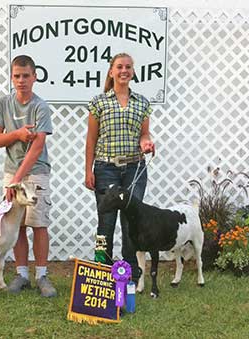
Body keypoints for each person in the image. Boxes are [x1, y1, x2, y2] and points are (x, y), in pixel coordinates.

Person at [85, 52, 155, 282]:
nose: (124, 70)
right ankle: (101, 270)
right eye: (119, 67)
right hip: (106, 169)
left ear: (133, 71)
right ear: (111, 71)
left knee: (130, 221)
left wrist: (146, 143)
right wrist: (88, 170)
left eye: (128, 67)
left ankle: (131, 274)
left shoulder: (142, 103)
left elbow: (144, 134)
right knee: (106, 221)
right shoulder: (99, 102)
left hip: (135, 169)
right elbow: (91, 139)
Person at [0, 55, 56, 297]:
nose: (21, 80)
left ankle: (41, 275)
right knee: (16, 225)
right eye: (17, 76)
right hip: (11, 172)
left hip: (36, 173)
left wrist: (17, 180)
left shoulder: (40, 106)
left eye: (26, 75)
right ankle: (21, 274)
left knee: (38, 224)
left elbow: (37, 147)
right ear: (11, 77)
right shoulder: (3, 104)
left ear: (35, 76)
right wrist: (17, 134)